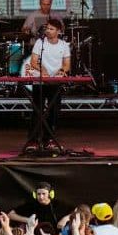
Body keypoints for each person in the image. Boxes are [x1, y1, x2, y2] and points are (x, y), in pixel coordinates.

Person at [24, 18, 71, 152]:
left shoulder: (64, 45)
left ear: (59, 31)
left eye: (52, 29)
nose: (48, 31)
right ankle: (33, 141)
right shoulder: (40, 42)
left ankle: (49, 140)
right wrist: (42, 70)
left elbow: (67, 64)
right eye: (47, 28)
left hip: (55, 82)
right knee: (37, 110)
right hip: (40, 81)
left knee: (54, 111)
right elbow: (33, 61)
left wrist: (61, 72)